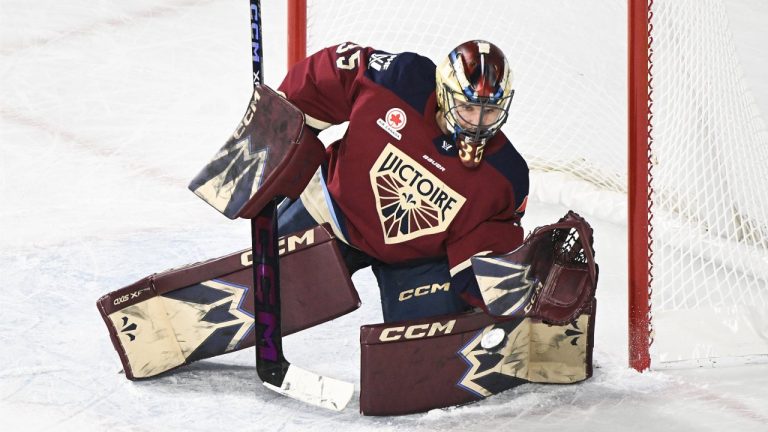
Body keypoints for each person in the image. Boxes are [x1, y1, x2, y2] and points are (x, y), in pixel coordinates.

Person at [275, 40, 529, 323]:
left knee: (427, 358)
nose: (478, 122)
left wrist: (514, 293)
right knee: (258, 294)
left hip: (416, 263)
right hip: (333, 210)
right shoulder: (399, 80)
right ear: (445, 94)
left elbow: (485, 244)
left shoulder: (505, 177)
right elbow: (335, 72)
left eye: (490, 111)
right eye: (467, 107)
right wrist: (280, 122)